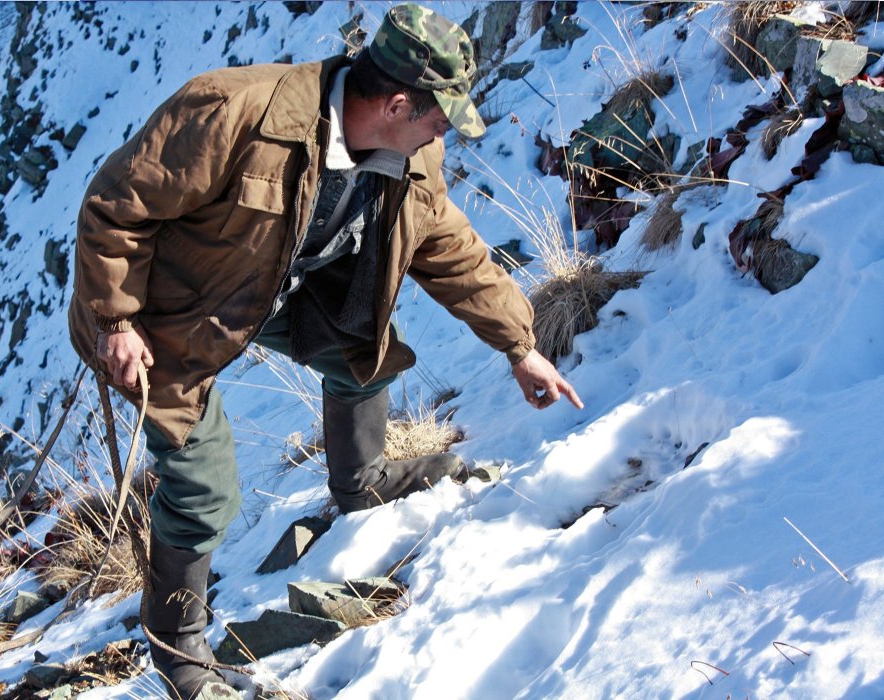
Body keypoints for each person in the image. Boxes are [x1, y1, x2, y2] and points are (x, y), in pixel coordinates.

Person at [68, 5, 582, 698]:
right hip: (161, 320)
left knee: (361, 350)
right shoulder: (234, 112)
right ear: (398, 103)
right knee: (204, 489)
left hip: (269, 290)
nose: (446, 131)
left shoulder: (411, 151)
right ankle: (179, 650)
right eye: (439, 116)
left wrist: (520, 346)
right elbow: (115, 206)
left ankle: (360, 482)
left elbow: (450, 248)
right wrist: (115, 320)